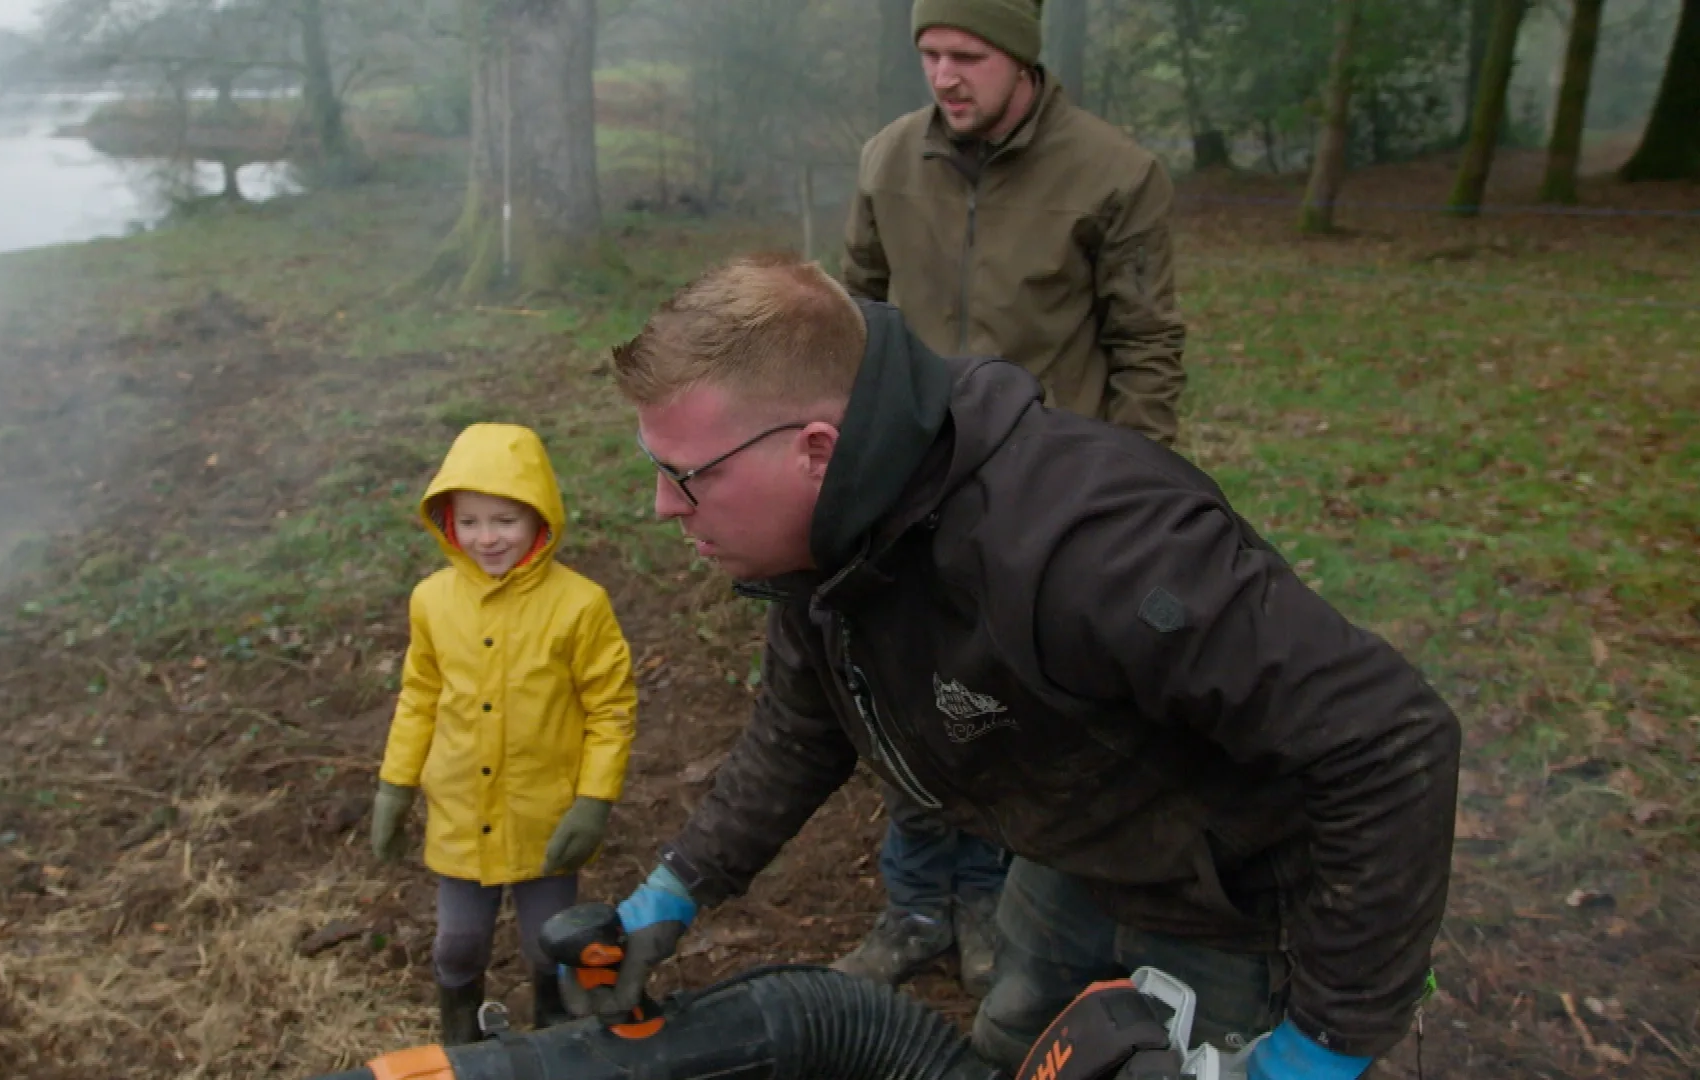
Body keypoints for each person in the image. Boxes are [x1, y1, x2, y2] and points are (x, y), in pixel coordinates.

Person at [562, 254, 1458, 1080]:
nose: (659, 507)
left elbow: (1387, 742)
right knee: (1011, 1046)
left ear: (816, 451)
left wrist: (1324, 1045)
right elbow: (804, 726)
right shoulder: (829, 544)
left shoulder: (1097, 545)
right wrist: (678, 887)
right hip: (1072, 855)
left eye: (686, 474)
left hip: (1240, 906)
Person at [837, 0, 1188, 994]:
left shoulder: (1116, 173)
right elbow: (854, 308)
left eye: (968, 55)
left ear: (1023, 59)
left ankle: (992, 900)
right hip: (905, 484)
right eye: (930, 54)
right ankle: (911, 904)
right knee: (906, 694)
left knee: (1014, 707)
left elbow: (1148, 348)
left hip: (1045, 493)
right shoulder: (887, 160)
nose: (945, 76)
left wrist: (1129, 497)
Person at [372, 422, 638, 1045]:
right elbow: (420, 697)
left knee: (550, 945)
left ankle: (554, 1036)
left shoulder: (580, 604)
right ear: (446, 522)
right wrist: (395, 785)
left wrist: (594, 799)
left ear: (540, 519)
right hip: (462, 813)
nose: (486, 538)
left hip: (545, 816)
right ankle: (462, 1040)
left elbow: (610, 706)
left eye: (505, 520)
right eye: (469, 522)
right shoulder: (432, 601)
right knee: (459, 944)